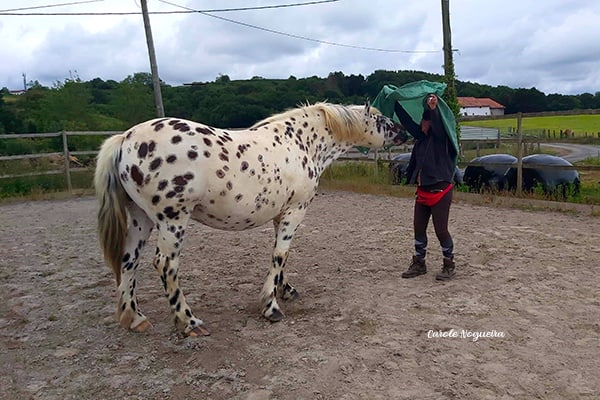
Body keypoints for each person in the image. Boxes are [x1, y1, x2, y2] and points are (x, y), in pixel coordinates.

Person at [393, 93, 458, 280]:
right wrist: (395, 105)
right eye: (422, 121)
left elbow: (438, 125)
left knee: (441, 230)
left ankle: (449, 265)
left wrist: (433, 109)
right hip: (423, 191)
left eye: (425, 121)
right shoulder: (421, 138)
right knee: (418, 228)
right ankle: (419, 263)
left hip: (440, 191)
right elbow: (408, 123)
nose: (422, 124)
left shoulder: (441, 139)